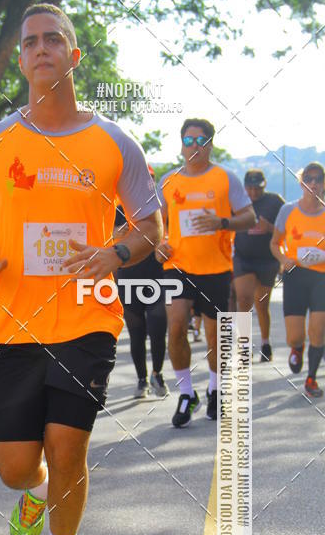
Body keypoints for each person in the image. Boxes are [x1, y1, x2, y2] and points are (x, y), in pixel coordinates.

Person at [0, 3, 162, 535]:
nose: (41, 49)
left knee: (69, 445)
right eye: (30, 43)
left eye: (53, 40)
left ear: (74, 56)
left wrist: (116, 254)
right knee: (18, 467)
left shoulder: (114, 143)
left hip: (88, 317)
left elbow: (150, 223)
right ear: (21, 61)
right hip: (13, 322)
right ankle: (35, 491)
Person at [155, 118, 256, 427]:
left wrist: (222, 223)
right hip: (178, 266)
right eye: (188, 141)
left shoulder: (226, 179)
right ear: (181, 144)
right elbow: (156, 221)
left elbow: (250, 218)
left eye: (201, 141)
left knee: (214, 336)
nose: (194, 146)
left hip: (216, 268)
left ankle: (214, 389)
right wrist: (158, 243)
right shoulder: (169, 181)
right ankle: (186, 393)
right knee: (175, 325)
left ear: (210, 144)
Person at [270, 162, 325, 397]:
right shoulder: (288, 211)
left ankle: (311, 378)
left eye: (319, 179)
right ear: (302, 182)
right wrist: (284, 258)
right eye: (309, 179)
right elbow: (274, 243)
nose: (314, 183)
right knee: (295, 335)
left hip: (321, 277)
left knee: (318, 330)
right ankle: (297, 347)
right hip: (294, 275)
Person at [115, 168, 168, 398]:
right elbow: (103, 237)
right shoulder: (117, 209)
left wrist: (166, 246)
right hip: (128, 276)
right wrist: (117, 234)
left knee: (157, 327)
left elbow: (173, 235)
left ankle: (157, 373)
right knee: (136, 332)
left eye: (149, 179)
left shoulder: (159, 209)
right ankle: (141, 380)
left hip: (156, 275)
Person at [233, 169, 284, 360]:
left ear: (264, 186)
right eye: (250, 188)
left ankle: (265, 343)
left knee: (261, 304)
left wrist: (270, 228)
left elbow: (288, 227)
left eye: (257, 188)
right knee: (244, 300)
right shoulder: (238, 201)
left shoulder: (275, 202)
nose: (253, 193)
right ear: (245, 187)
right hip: (243, 258)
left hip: (267, 260)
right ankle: (244, 348)